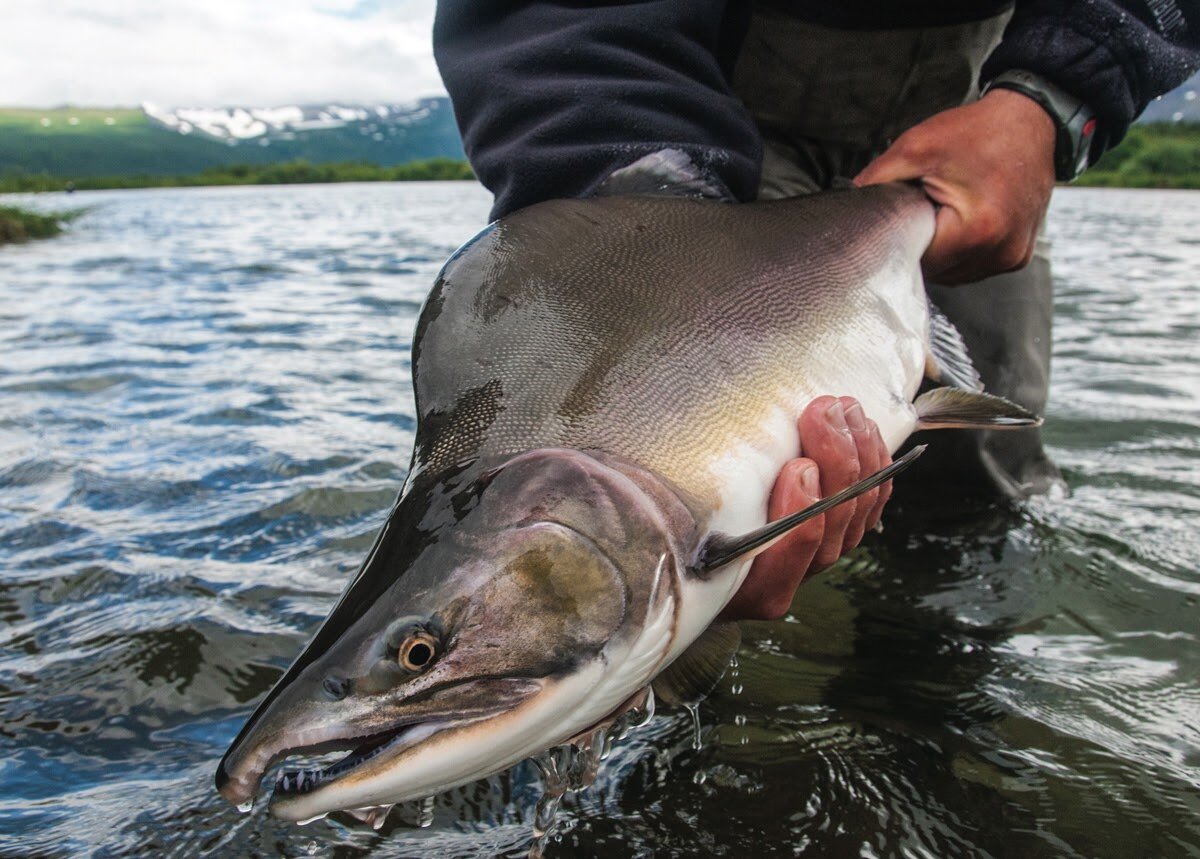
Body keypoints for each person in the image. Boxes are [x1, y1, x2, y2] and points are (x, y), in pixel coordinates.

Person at [432, 1, 1200, 619]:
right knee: (737, 548)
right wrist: (638, 201)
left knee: (980, 488)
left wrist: (1054, 101)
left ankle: (933, 723)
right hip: (702, 118)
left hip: (991, 110)